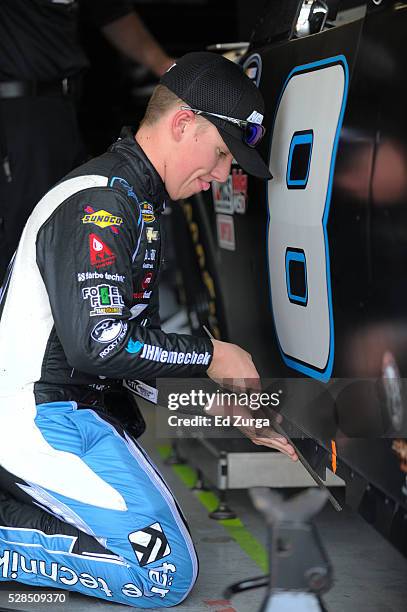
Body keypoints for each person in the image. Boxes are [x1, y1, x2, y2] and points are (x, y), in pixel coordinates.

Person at [0, 52, 297, 607]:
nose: (218, 177)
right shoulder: (102, 203)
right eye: (220, 155)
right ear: (184, 123)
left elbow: (133, 359)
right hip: (38, 418)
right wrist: (210, 353)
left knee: (156, 553)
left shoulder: (132, 200)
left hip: (71, 413)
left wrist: (221, 408)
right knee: (163, 576)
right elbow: (102, 344)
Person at [0, 0, 174, 282]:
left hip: (65, 108)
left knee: (67, 221)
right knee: (26, 232)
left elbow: (112, 13)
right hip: (19, 108)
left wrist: (166, 67)